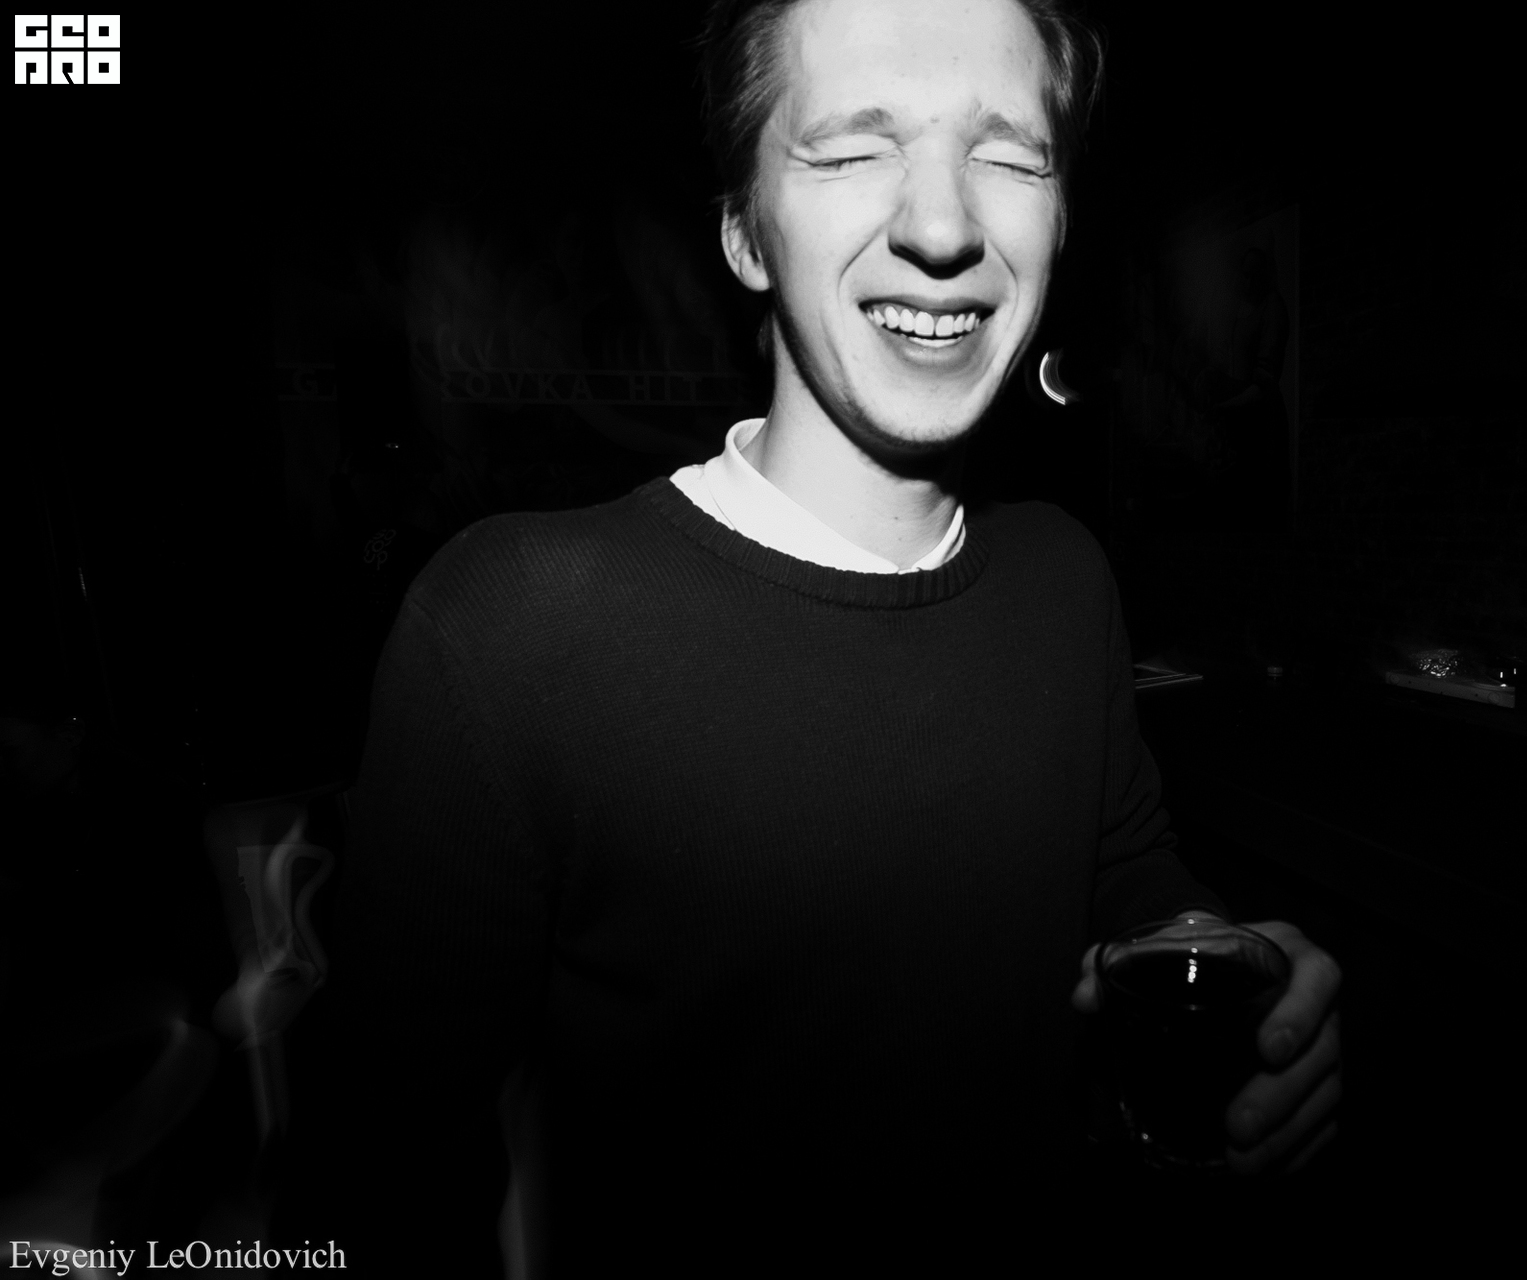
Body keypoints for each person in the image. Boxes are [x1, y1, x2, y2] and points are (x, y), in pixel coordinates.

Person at [289, 0, 1341, 1268]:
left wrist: (1222, 969)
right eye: (850, 150)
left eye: (1009, 157)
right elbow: (382, 1174)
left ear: (1061, 219)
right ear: (745, 230)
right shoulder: (517, 627)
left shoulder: (1065, 575)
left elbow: (1123, 870)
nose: (944, 225)